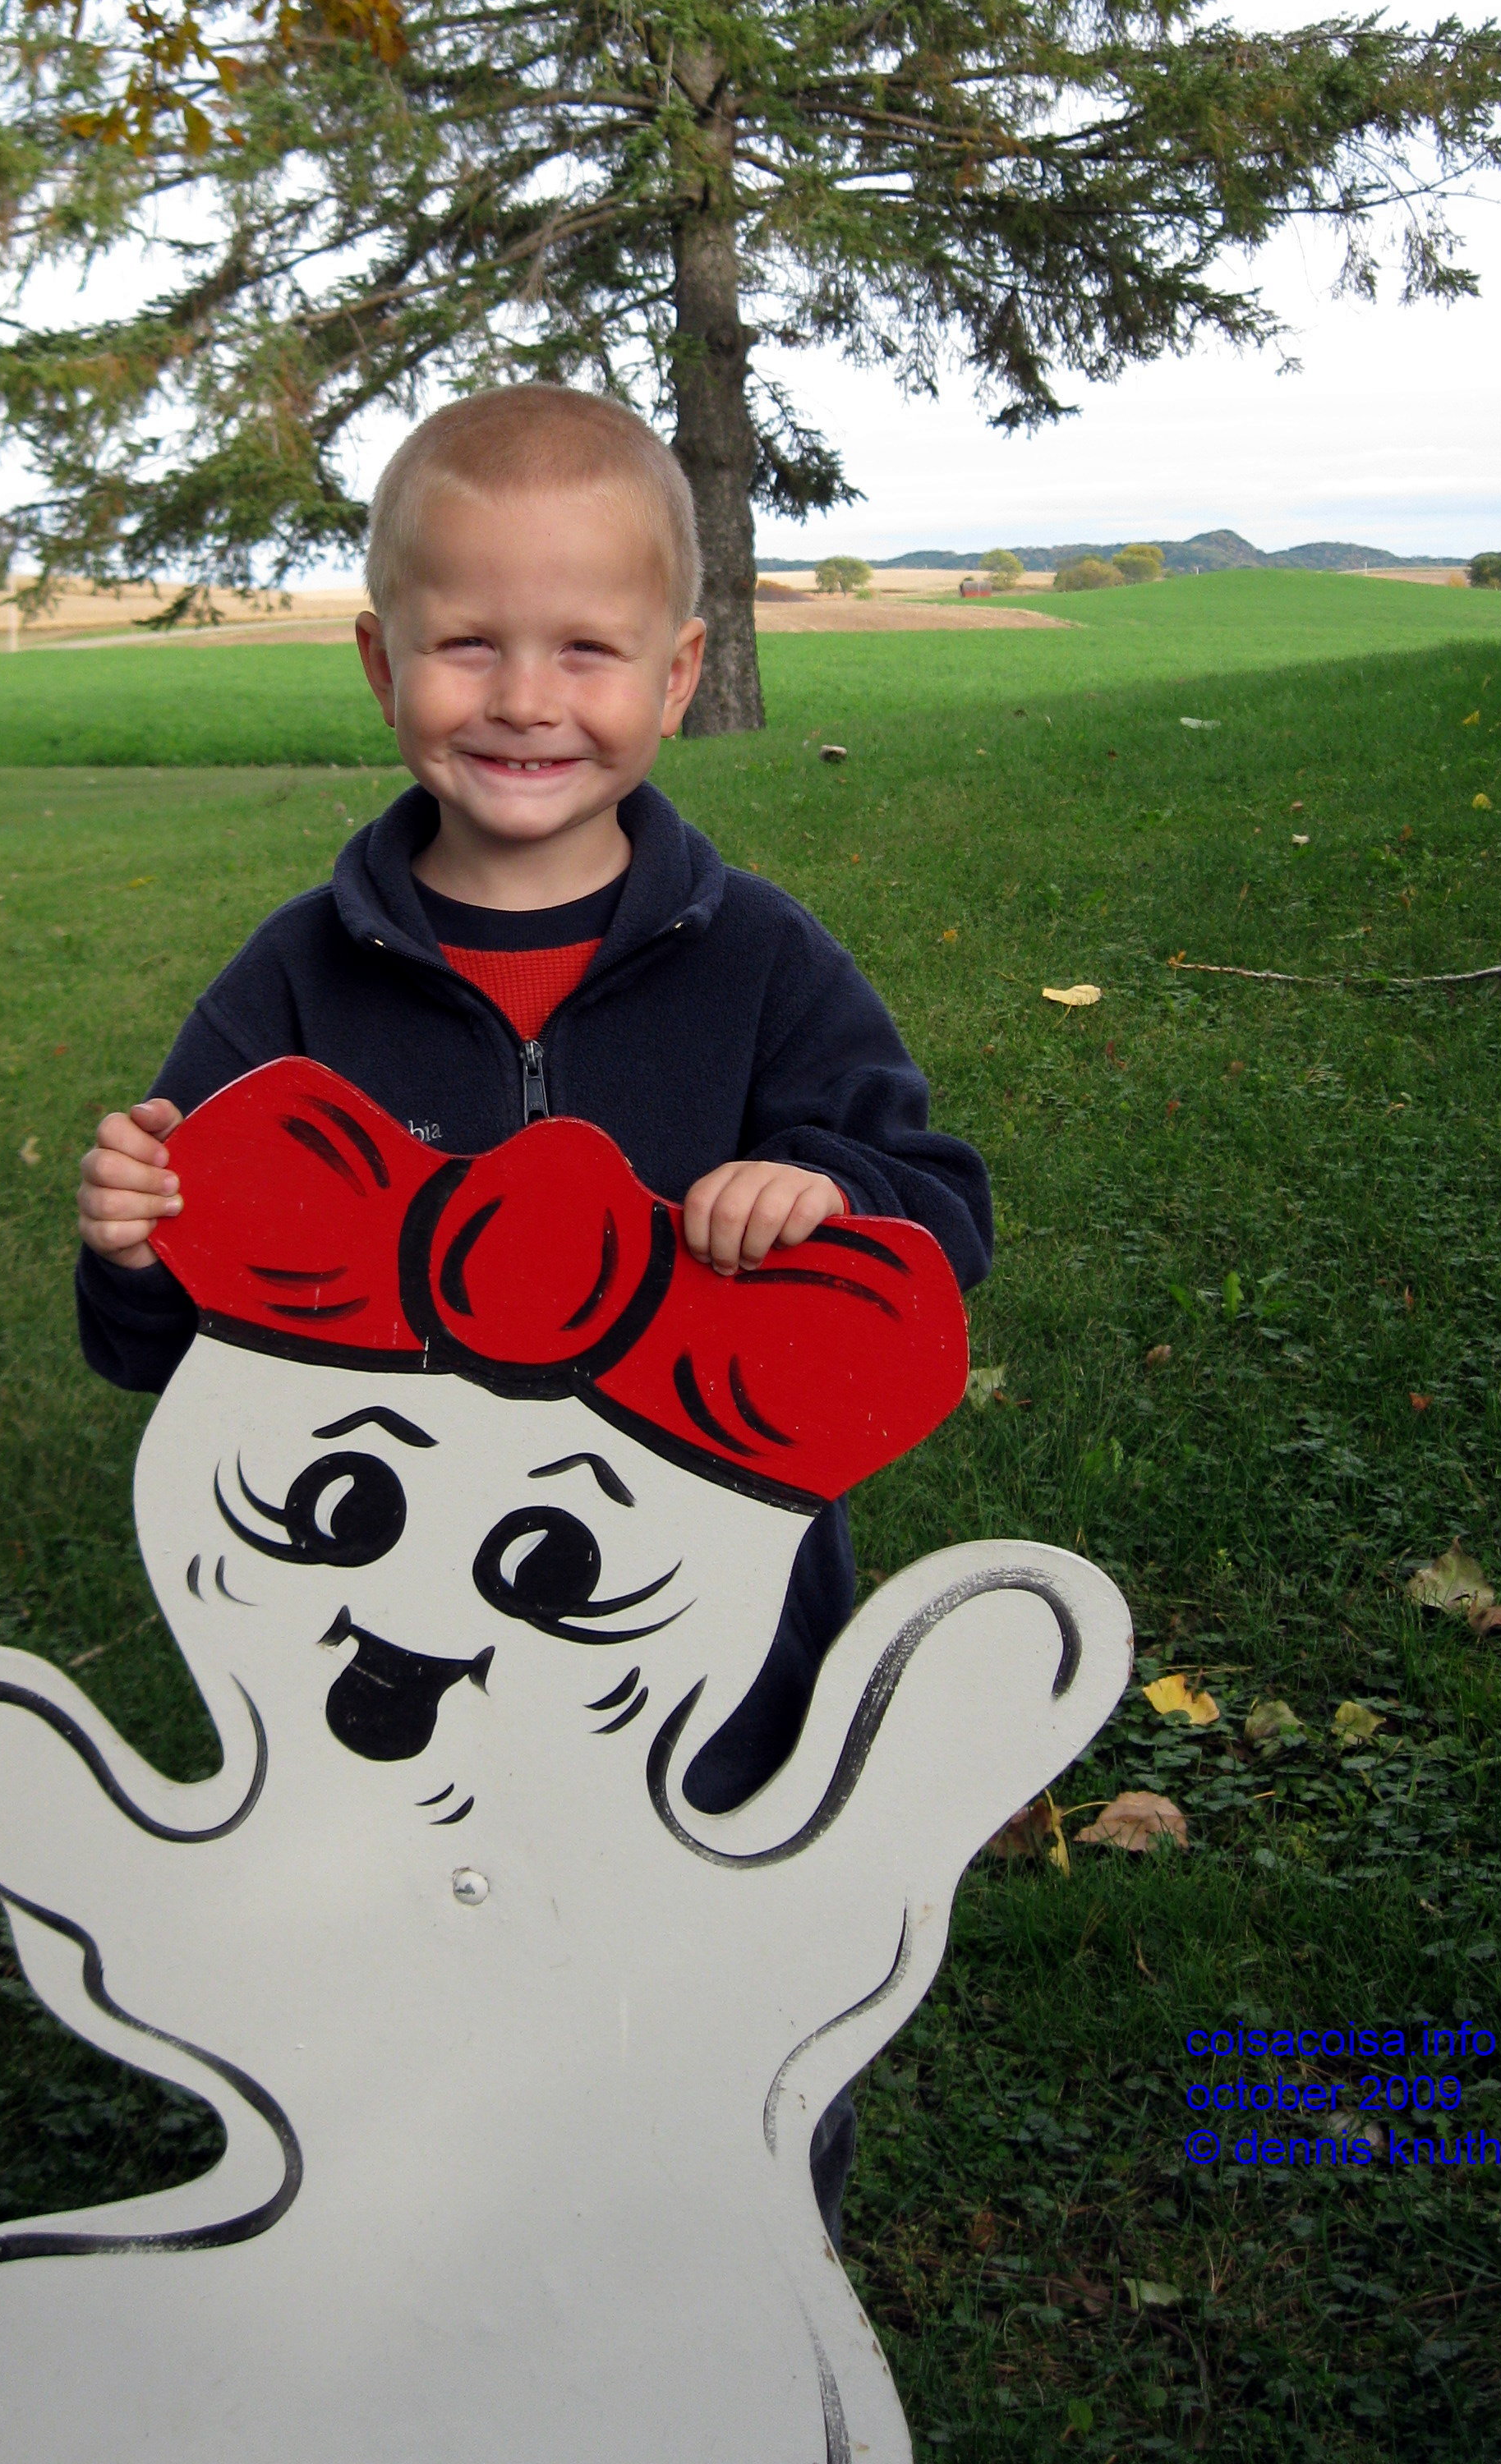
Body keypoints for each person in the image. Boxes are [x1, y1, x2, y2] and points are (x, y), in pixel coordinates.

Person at [74, 379, 992, 2239]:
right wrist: (136, 1246)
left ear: (678, 672)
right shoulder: (299, 979)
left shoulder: (760, 960)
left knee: (708, 1960)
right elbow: (171, 1356)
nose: (522, 698)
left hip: (701, 1642)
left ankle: (740, 2242)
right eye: (466, 643)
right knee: (403, 1977)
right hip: (372, 1638)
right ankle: (415, 2233)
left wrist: (826, 1194)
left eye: (585, 648)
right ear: (378, 662)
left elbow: (937, 1210)